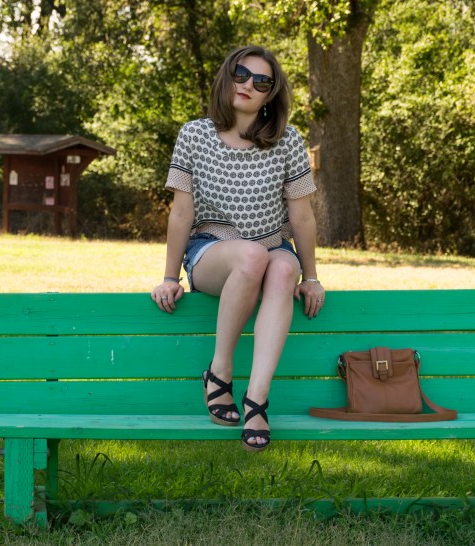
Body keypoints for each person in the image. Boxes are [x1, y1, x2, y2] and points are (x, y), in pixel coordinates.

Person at [150, 45, 325, 452]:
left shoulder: (287, 140)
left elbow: (301, 217)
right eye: (242, 74)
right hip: (211, 250)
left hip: (272, 245)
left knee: (282, 268)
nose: (248, 84)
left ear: (270, 95)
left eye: (261, 81)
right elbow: (180, 214)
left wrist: (312, 277)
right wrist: (167, 277)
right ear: (228, 76)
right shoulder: (194, 135)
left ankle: (257, 400)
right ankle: (220, 371)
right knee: (252, 255)